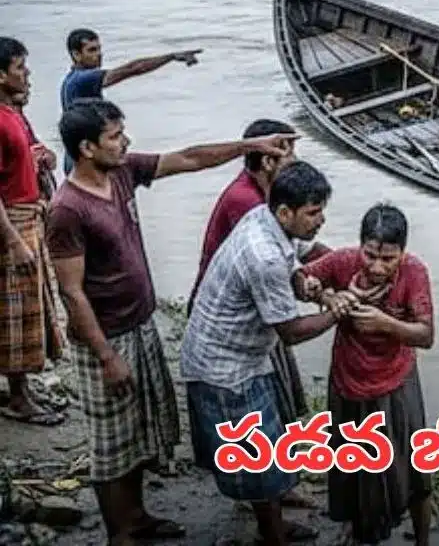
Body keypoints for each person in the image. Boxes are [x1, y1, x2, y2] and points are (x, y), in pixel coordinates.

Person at [46, 97, 298, 546]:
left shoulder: (121, 172)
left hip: (141, 324)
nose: (126, 142)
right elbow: (72, 291)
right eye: (115, 136)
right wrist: (106, 356)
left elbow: (189, 158)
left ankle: (138, 516)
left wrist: (251, 145)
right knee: (111, 442)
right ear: (87, 147)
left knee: (140, 432)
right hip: (107, 337)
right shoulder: (68, 208)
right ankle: (119, 532)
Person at [181, 161, 346, 546]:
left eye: (322, 210)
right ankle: (272, 534)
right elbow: (290, 332)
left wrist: (322, 275)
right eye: (313, 213)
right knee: (256, 458)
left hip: (244, 356)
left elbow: (304, 254)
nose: (321, 220)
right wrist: (336, 311)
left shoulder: (265, 217)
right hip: (224, 369)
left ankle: (275, 505)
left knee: (267, 444)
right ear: (285, 212)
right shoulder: (264, 254)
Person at [298, 203, 435, 545]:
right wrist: (326, 295)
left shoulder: (414, 272)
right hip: (348, 379)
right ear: (360, 247)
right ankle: (358, 529)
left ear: (402, 253)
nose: (377, 267)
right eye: (370, 255)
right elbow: (298, 278)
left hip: (396, 382)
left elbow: (426, 335)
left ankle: (422, 540)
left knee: (414, 470)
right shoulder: (343, 262)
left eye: (388, 259)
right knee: (352, 465)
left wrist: (385, 324)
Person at [0, 37, 66, 427]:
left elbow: (29, 149)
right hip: (12, 221)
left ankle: (21, 387)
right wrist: (12, 240)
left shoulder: (14, 114)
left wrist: (42, 155)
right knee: (15, 313)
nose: (26, 74)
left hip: (28, 215)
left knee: (29, 309)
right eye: (19, 68)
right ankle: (18, 397)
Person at [59, 29, 202, 174]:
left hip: (76, 156)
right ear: (76, 55)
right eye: (92, 50)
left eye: (99, 49)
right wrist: (171, 57)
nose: (99, 54)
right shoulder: (83, 79)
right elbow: (132, 69)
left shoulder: (70, 79)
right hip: (86, 158)